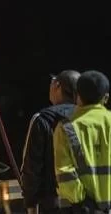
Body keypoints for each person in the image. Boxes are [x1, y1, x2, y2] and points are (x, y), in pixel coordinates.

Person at [53, 70, 111, 213]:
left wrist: (87, 206)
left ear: (77, 96)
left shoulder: (65, 129)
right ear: (105, 98)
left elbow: (65, 175)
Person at [21, 70, 80, 213]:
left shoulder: (42, 119)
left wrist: (31, 205)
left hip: (52, 205)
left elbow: (31, 168)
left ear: (58, 86)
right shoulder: (92, 120)